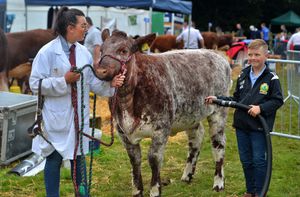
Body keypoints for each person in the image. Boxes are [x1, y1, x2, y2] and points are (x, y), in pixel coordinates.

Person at [29, 7, 125, 197]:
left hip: (78, 119)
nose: (86, 30)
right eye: (83, 26)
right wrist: (63, 80)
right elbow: (35, 84)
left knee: (79, 160)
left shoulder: (83, 53)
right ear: (70, 28)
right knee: (54, 159)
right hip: (56, 119)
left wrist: (111, 85)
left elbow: (91, 83)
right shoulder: (47, 53)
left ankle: (82, 195)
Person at [205, 39, 283, 197]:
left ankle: (261, 192)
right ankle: (250, 191)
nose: (253, 58)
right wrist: (217, 98)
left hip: (259, 127)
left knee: (259, 161)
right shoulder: (243, 75)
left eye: (257, 55)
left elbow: (277, 100)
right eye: (251, 54)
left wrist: (261, 108)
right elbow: (236, 99)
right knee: (246, 160)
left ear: (266, 56)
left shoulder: (271, 78)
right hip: (242, 126)